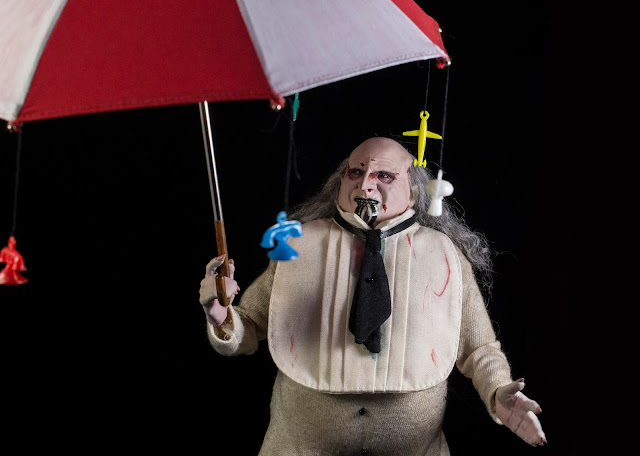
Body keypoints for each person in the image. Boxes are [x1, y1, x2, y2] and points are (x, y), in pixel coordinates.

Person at [199, 137, 546, 455]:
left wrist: (498, 391)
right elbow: (248, 327)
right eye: (356, 172)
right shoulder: (296, 247)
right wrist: (221, 316)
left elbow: (479, 348)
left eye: (384, 175)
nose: (365, 184)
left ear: (413, 191)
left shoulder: (445, 255)